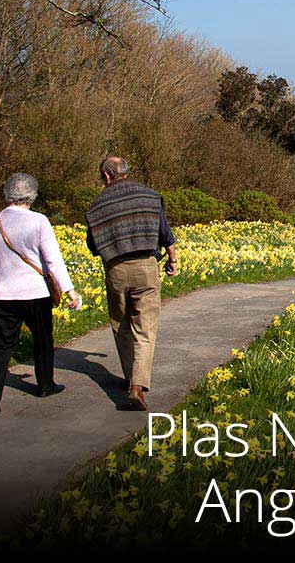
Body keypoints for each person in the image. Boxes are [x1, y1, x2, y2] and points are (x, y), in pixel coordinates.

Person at [0, 173, 80, 415]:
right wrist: (69, 290)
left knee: (1, 345)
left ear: (7, 193)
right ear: (32, 194)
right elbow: (53, 260)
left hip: (3, 295)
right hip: (35, 292)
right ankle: (45, 384)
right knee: (43, 339)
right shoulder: (38, 221)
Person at [85, 157, 178, 411]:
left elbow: (93, 246)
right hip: (146, 266)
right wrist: (172, 259)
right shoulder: (149, 196)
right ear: (126, 172)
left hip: (115, 268)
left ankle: (130, 379)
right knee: (145, 328)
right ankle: (137, 385)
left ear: (106, 176)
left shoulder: (97, 206)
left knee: (121, 324)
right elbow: (164, 232)